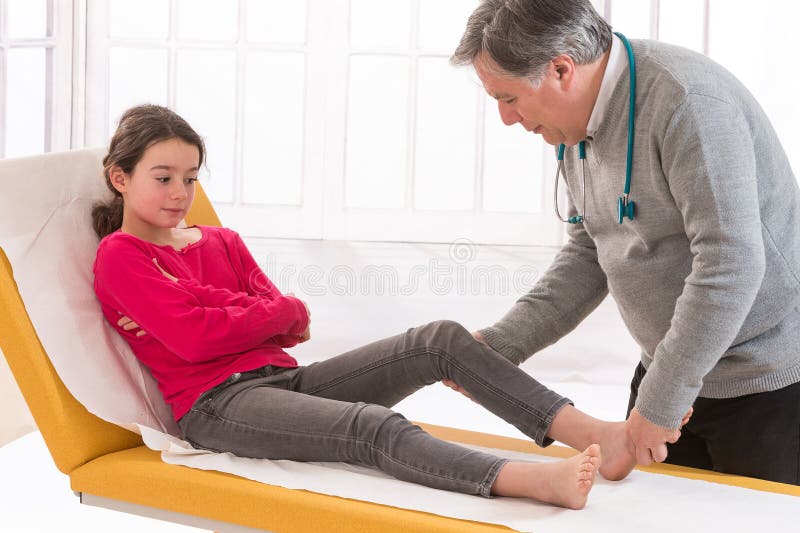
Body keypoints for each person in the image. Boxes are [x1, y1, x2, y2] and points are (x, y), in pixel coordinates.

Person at [89, 104, 649, 510]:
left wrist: (224, 312)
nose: (180, 194)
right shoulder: (121, 256)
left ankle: (594, 432)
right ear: (121, 178)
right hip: (217, 405)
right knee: (373, 427)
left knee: (438, 339)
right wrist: (254, 317)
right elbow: (197, 340)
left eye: (189, 179)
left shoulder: (221, 241)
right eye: (162, 179)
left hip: (287, 381)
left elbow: (295, 319)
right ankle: (525, 480)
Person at [446, 0, 800, 485]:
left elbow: (731, 263)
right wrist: (502, 344)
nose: (508, 119)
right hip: (669, 375)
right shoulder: (574, 129)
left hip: (766, 388)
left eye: (508, 98)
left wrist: (661, 399)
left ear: (561, 69)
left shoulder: (688, 102)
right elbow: (590, 250)